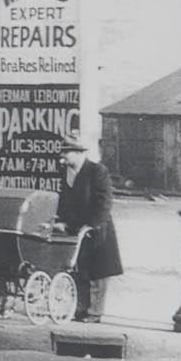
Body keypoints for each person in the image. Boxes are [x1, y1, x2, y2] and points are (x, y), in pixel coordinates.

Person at [55, 134, 123, 322]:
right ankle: (81, 309)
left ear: (79, 153)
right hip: (75, 228)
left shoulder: (97, 171)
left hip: (97, 230)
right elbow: (63, 200)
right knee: (79, 270)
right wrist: (62, 221)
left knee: (98, 273)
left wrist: (92, 224)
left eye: (67, 152)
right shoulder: (66, 172)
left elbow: (104, 202)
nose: (63, 156)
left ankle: (94, 312)